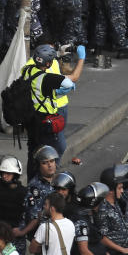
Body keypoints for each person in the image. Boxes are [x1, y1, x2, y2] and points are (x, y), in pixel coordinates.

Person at [21, 43, 85, 175]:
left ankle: (34, 182)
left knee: (34, 151)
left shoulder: (27, 69)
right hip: (46, 119)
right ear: (48, 62)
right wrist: (81, 58)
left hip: (33, 118)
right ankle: (49, 176)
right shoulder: (46, 77)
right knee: (52, 151)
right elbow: (72, 79)